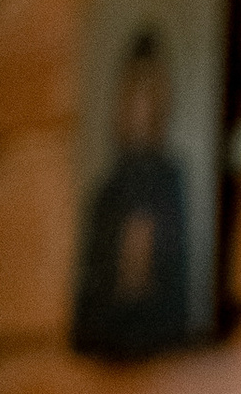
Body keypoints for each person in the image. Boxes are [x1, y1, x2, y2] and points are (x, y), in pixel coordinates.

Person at [68, 27, 196, 363]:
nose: (145, 108)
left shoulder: (172, 185)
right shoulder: (107, 195)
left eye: (152, 93)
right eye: (136, 93)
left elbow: (180, 295)